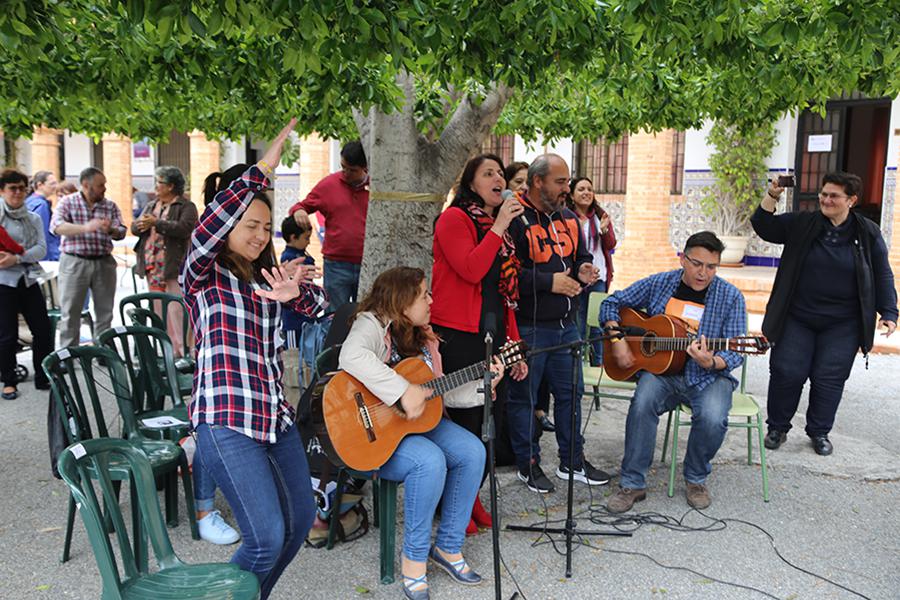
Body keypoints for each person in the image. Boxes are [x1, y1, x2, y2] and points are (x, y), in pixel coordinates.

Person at [182, 119, 326, 598]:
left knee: (299, 522)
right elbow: (210, 226)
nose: (261, 235)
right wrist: (262, 170)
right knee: (264, 539)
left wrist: (294, 294)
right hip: (225, 419)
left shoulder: (266, 279)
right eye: (251, 225)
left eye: (267, 227)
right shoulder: (202, 274)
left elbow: (321, 308)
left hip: (274, 417)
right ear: (227, 225)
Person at [339, 266, 497, 600]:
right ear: (402, 299)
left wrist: (485, 385)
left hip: (418, 424)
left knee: (472, 451)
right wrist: (402, 391)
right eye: (424, 294)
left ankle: (448, 547)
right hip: (374, 432)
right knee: (429, 461)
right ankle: (413, 558)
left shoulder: (424, 338)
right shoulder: (372, 323)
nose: (431, 300)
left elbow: (439, 394)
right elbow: (350, 356)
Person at [752, 172, 897, 456]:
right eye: (824, 194)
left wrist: (889, 311)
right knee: (787, 370)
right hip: (797, 316)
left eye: (834, 196)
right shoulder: (802, 223)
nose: (826, 200)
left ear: (851, 200)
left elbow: (882, 272)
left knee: (829, 377)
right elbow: (763, 226)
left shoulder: (867, 232)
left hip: (843, 323)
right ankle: (777, 427)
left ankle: (819, 432)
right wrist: (772, 195)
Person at [601, 231, 746, 512]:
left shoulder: (730, 297)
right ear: (683, 259)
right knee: (642, 403)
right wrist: (617, 340)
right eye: (697, 264)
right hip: (662, 371)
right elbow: (611, 302)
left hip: (708, 376)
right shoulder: (661, 283)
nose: (703, 273)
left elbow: (736, 350)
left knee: (713, 417)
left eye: (711, 267)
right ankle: (632, 484)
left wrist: (711, 362)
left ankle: (696, 479)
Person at [432, 153, 528, 534]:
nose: (498, 179)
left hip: (494, 332)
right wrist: (500, 226)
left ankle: (470, 496)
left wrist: (515, 346)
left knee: (491, 420)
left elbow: (506, 294)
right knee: (466, 422)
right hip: (459, 334)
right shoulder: (454, 219)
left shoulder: (499, 229)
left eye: (500, 173)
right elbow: (471, 269)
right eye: (488, 173)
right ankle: (454, 503)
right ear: (471, 183)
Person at [506, 154, 608, 494]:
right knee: (524, 399)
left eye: (567, 181)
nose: (567, 188)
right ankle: (528, 464)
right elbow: (506, 275)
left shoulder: (569, 218)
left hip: (568, 325)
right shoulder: (514, 218)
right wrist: (549, 282)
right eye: (560, 182)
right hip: (529, 326)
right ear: (538, 182)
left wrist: (583, 269)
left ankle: (572, 461)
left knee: (571, 395)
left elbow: (580, 256)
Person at [50, 167, 126, 349]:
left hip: (104, 262)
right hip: (74, 262)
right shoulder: (67, 202)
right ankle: (70, 354)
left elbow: (122, 231)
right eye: (100, 185)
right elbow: (56, 227)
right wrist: (85, 228)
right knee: (70, 312)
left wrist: (111, 230)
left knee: (105, 313)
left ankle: (103, 353)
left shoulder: (110, 206)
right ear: (86, 185)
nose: (104, 188)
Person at [290, 140, 368, 313]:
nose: (346, 173)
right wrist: (299, 211)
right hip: (336, 265)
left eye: (352, 170)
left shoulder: (377, 188)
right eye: (343, 167)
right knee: (334, 316)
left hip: (368, 263)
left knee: (367, 316)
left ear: (365, 168)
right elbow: (301, 205)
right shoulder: (329, 185)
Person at [506, 161, 554, 433]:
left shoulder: (552, 217)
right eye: (517, 182)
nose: (523, 188)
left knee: (543, 372)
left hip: (549, 314)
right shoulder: (512, 221)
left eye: (526, 182)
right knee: (521, 385)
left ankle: (540, 412)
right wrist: (549, 281)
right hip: (520, 312)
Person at [132, 166, 198, 357]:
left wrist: (156, 223)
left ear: (170, 186)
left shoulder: (186, 206)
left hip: (173, 266)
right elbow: (135, 228)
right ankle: (168, 351)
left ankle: (185, 351)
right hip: (153, 266)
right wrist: (140, 225)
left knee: (177, 309)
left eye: (159, 182)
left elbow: (184, 228)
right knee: (159, 310)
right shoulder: (152, 205)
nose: (156, 186)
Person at [0, 169, 52, 399]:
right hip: (3, 281)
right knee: (7, 334)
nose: (18, 193)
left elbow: (41, 249)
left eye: (22, 188)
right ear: (2, 191)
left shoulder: (33, 218)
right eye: (12, 188)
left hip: (28, 278)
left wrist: (17, 258)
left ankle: (43, 375)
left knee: (43, 329)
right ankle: (8, 381)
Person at [568, 176, 617, 365]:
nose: (586, 193)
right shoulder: (567, 217)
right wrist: (578, 230)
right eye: (581, 189)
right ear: (572, 195)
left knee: (598, 322)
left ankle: (598, 363)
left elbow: (611, 245)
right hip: (576, 277)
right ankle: (577, 365)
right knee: (578, 321)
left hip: (598, 276)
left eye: (589, 189)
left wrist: (604, 230)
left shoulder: (600, 216)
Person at [279, 215, 317, 348]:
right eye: (306, 238)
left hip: (306, 315)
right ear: (293, 237)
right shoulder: (289, 259)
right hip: (293, 319)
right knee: (293, 352)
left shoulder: (303, 255)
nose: (309, 242)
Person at [25, 170, 60, 261]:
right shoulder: (41, 205)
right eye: (52, 183)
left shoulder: (29, 201)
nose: (55, 186)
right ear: (40, 185)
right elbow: (43, 234)